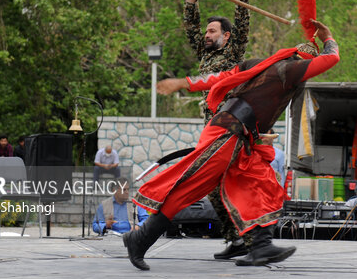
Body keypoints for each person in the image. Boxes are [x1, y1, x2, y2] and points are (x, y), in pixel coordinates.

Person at [123, 19, 339, 270]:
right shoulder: (289, 70)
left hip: (241, 135)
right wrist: (328, 39)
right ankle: (140, 238)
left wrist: (184, 83)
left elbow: (219, 78)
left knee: (259, 182)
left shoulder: (259, 65)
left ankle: (260, 246)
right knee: (191, 184)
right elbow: (331, 59)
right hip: (227, 131)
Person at [184, 0, 252, 260]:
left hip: (229, 125)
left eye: (212, 31)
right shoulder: (204, 52)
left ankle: (253, 237)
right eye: (207, 31)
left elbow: (243, 17)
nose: (207, 34)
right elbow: (189, 24)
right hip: (211, 128)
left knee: (231, 183)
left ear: (226, 36)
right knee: (213, 186)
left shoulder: (233, 51)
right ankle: (237, 239)